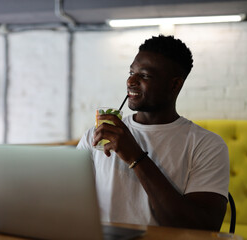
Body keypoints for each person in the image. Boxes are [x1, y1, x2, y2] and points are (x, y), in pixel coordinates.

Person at [77, 35, 229, 231]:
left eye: (145, 75)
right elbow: (69, 203)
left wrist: (135, 156)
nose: (131, 80)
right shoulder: (96, 136)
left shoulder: (206, 145)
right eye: (131, 72)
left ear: (174, 85)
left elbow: (202, 228)